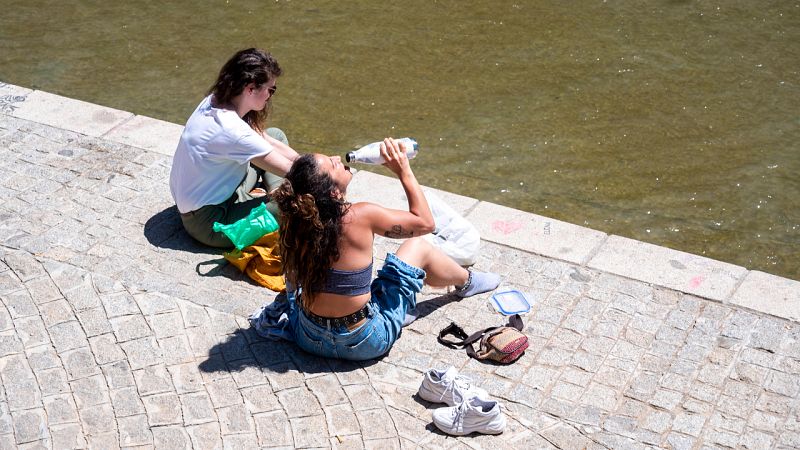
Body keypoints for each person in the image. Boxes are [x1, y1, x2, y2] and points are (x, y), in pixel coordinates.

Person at [271, 138, 502, 361]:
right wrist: (403, 170)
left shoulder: (296, 219)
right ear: (334, 193)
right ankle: (467, 282)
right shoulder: (360, 215)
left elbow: (293, 278)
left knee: (316, 284)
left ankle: (397, 311)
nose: (337, 157)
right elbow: (425, 223)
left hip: (307, 337)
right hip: (365, 342)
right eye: (332, 164)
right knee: (417, 247)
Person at [169, 48, 300, 247]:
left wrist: (307, 162)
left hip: (222, 192)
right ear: (251, 88)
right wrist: (327, 175)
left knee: (276, 135)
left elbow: (267, 140)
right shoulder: (232, 130)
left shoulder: (215, 100)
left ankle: (275, 192)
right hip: (210, 223)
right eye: (271, 90)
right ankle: (276, 197)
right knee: (294, 205)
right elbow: (296, 173)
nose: (270, 96)